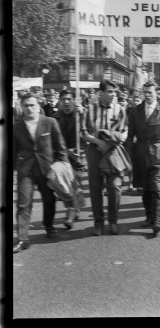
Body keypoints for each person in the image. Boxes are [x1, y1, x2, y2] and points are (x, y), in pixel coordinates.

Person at [13, 93, 69, 253]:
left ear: (38, 106)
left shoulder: (50, 122)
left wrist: (63, 165)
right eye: (26, 106)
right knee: (23, 204)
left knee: (49, 199)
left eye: (32, 105)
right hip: (26, 170)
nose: (29, 108)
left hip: (47, 168)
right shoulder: (16, 127)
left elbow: (60, 146)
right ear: (21, 107)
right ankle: (23, 239)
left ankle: (49, 225)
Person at [126, 82, 160, 236]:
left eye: (150, 92)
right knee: (146, 189)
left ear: (157, 93)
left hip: (159, 153)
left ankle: (157, 221)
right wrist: (128, 157)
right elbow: (130, 136)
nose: (147, 95)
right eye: (145, 92)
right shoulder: (135, 111)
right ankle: (149, 216)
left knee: (157, 188)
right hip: (141, 154)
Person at [81, 80, 128, 235]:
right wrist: (97, 141)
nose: (113, 95)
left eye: (115, 92)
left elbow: (125, 131)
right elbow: (83, 132)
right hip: (95, 151)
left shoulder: (120, 110)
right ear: (100, 93)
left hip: (113, 152)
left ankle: (113, 221)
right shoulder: (90, 109)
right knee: (95, 188)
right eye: (109, 92)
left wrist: (118, 138)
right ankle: (98, 223)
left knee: (115, 187)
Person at [53, 89, 87, 229]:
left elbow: (88, 132)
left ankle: (74, 210)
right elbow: (53, 141)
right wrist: (67, 152)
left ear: (74, 100)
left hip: (79, 157)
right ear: (60, 101)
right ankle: (72, 212)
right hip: (62, 157)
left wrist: (84, 113)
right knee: (66, 187)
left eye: (69, 99)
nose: (67, 102)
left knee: (76, 185)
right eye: (64, 99)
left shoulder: (80, 115)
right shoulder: (54, 118)